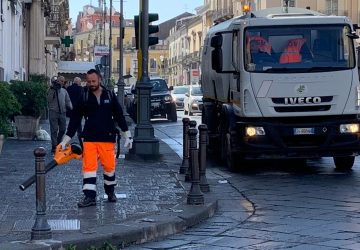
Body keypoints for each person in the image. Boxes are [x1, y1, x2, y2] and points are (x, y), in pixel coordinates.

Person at [59, 69, 133, 208]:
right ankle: (89, 196)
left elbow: (119, 115)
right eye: (89, 81)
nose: (91, 84)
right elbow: (75, 119)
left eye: (94, 81)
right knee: (89, 169)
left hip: (107, 138)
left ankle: (110, 192)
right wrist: (65, 140)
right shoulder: (84, 96)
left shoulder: (110, 95)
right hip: (90, 138)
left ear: (100, 80)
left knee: (109, 168)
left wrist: (127, 135)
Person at [47, 76, 73, 154]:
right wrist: (52, 90)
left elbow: (68, 100)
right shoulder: (51, 90)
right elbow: (49, 99)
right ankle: (54, 147)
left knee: (63, 129)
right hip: (53, 112)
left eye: (63, 81)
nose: (61, 82)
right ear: (57, 81)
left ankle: (58, 143)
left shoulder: (64, 91)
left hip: (62, 112)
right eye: (60, 81)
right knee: (54, 130)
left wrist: (71, 107)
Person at [66, 77, 84, 146]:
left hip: (70, 109)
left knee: (72, 123)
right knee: (78, 124)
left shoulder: (69, 88)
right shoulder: (81, 89)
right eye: (80, 82)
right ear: (78, 82)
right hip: (78, 110)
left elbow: (66, 99)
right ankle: (80, 138)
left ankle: (68, 138)